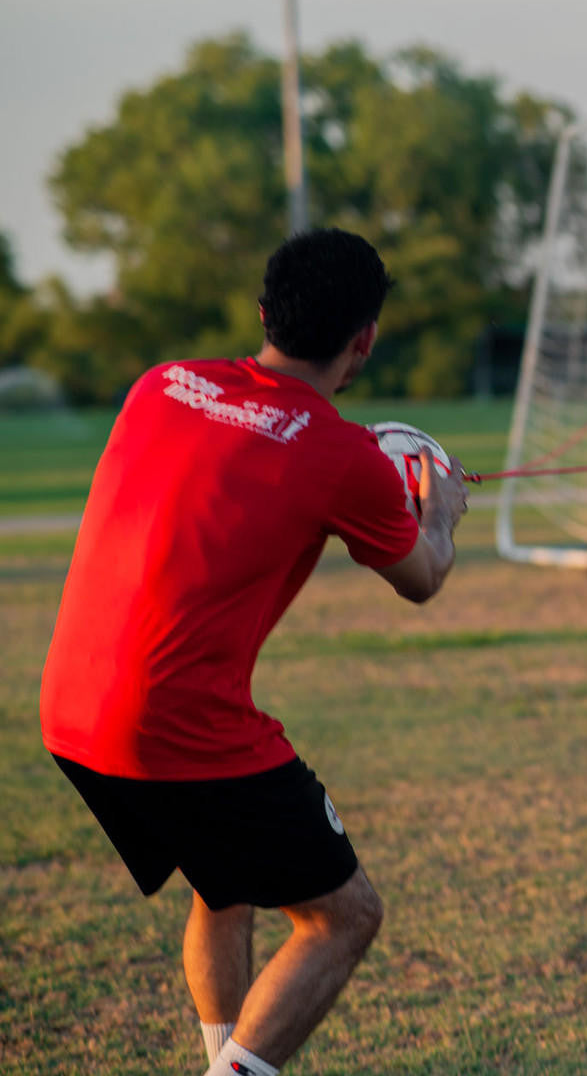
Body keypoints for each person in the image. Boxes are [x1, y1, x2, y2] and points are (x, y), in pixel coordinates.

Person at [40, 228, 469, 1076]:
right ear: (364, 341)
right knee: (344, 917)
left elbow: (241, 455)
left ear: (264, 312)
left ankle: (220, 1057)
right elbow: (422, 578)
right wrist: (441, 509)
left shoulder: (162, 383)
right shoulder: (342, 456)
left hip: (69, 709)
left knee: (225, 883)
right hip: (175, 726)